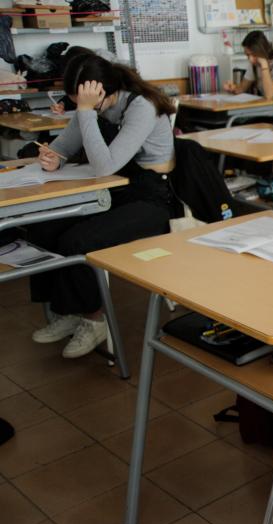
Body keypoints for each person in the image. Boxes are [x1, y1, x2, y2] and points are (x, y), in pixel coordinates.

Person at [29, 54, 176, 359]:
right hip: (115, 191)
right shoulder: (91, 105)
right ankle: (67, 310)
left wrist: (84, 112)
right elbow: (63, 145)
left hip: (152, 198)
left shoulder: (141, 107)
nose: (77, 106)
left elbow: (104, 166)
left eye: (80, 100)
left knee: (78, 240)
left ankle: (93, 319)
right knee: (43, 228)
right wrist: (53, 156)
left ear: (99, 92)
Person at [223, 30, 273, 101]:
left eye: (254, 55)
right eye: (247, 55)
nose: (250, 59)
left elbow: (269, 95)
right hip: (271, 108)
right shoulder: (254, 65)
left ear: (262, 51)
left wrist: (264, 65)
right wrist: (232, 88)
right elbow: (241, 89)